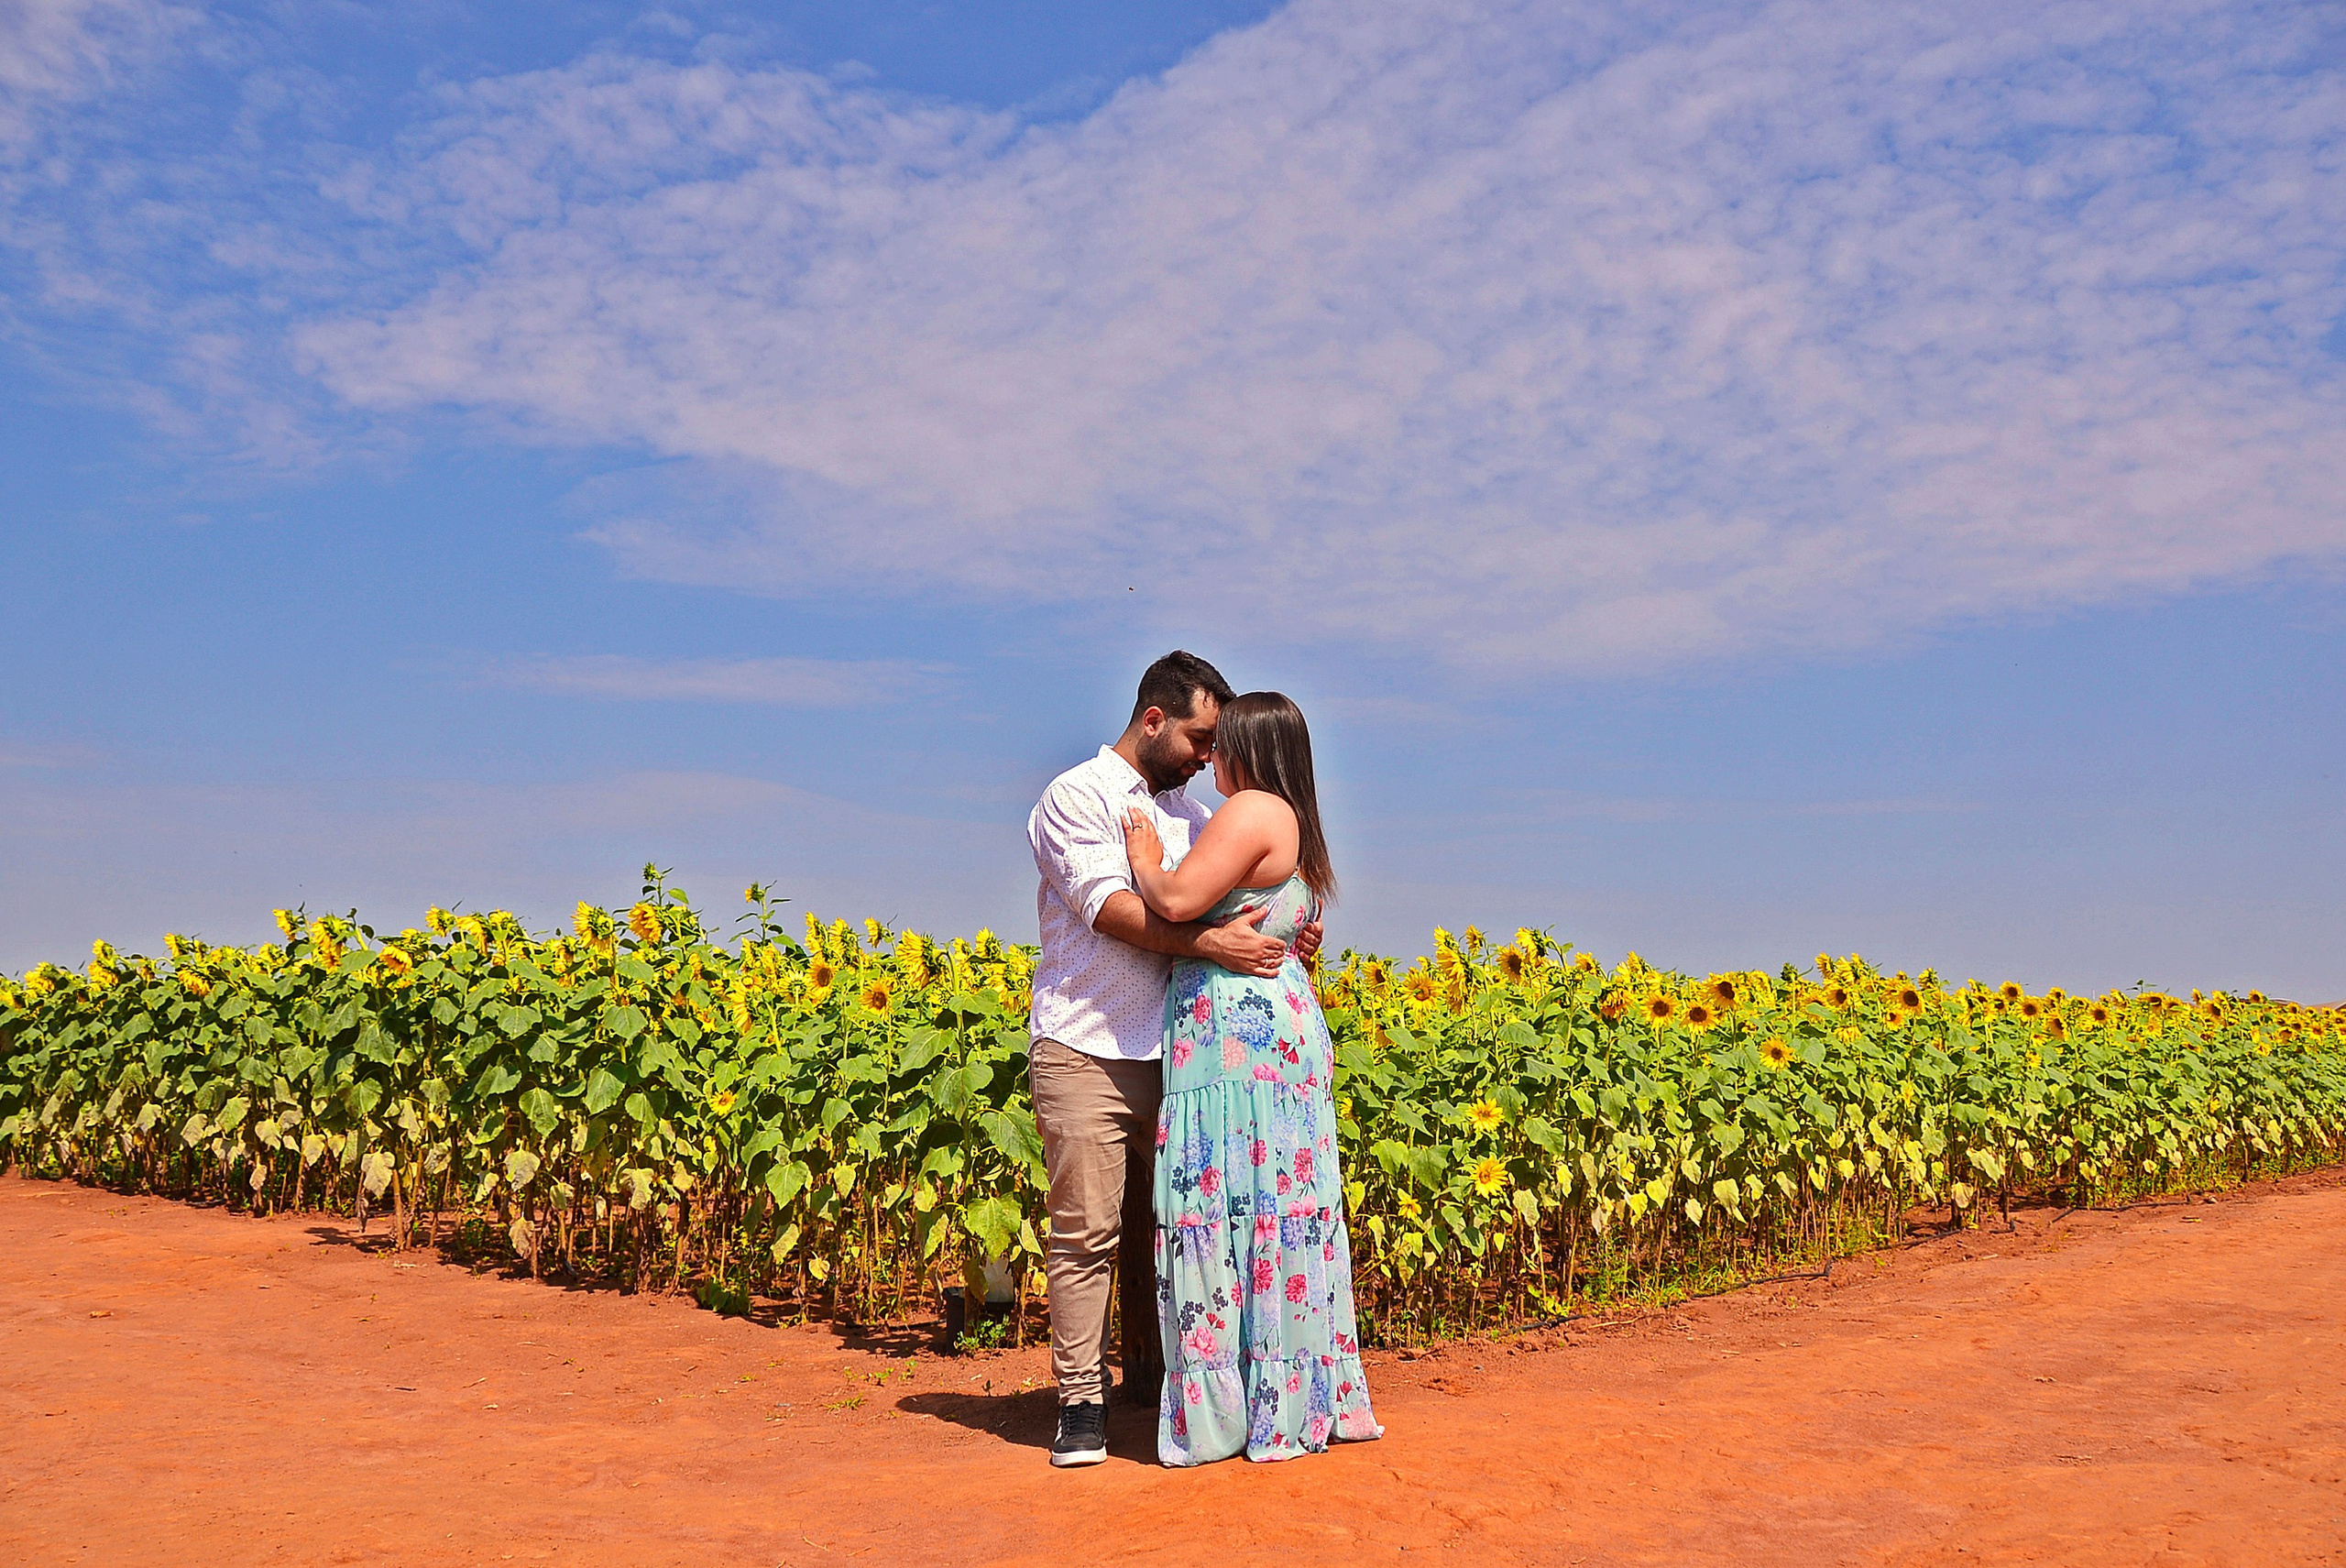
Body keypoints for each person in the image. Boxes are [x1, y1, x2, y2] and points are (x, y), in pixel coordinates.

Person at [1025, 652, 1321, 1468]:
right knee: (1087, 1229)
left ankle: (1165, 1384)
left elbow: (1239, 894)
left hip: (1188, 1053)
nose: (1206, 755)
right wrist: (1213, 945)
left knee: (1187, 1222)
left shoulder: (1193, 813)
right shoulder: (1077, 796)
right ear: (1153, 719)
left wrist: (1284, 930)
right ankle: (1081, 1403)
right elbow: (1113, 909)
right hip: (1087, 1043)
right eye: (1198, 737)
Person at [1121, 689, 1381, 1465]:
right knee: (1276, 1208)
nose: (1210, 759)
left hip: (1235, 1046)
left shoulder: (1252, 809)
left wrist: (1144, 857)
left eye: (1221, 742)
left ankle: (1224, 1417)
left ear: (1250, 748)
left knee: (1223, 1205)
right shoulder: (1294, 820)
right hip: (1277, 1043)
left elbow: (1176, 898)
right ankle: (1291, 1398)